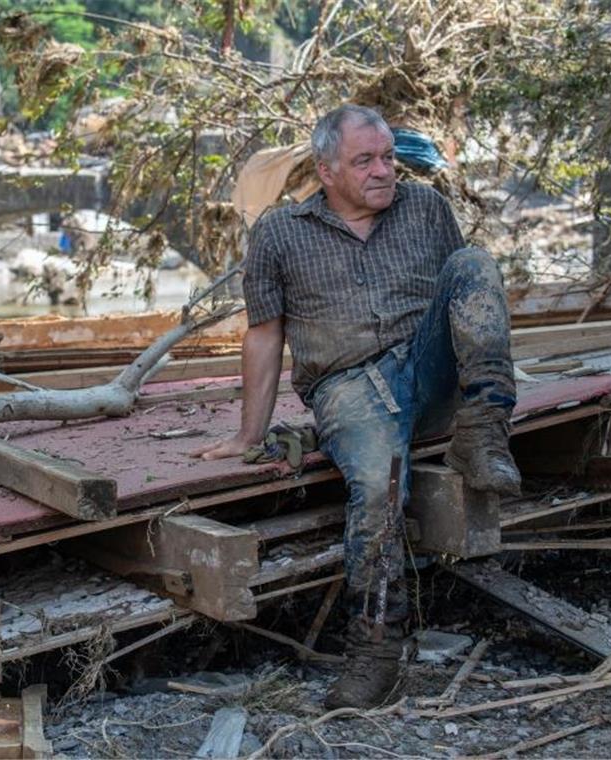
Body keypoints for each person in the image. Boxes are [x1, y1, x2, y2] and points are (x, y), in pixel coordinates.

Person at [191, 104, 521, 708]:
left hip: (427, 369)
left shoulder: (424, 208)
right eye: (364, 160)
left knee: (474, 262)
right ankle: (374, 652)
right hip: (347, 389)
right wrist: (248, 434)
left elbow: (463, 297)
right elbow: (265, 334)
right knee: (375, 487)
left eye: (388, 156)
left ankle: (485, 430)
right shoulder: (280, 233)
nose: (383, 170)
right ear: (326, 169)